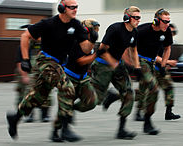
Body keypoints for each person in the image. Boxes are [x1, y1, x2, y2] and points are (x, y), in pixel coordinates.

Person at [6, 0, 98, 142]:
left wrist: (92, 39)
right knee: (66, 87)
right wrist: (24, 59)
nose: (75, 9)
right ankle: (65, 129)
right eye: (71, 7)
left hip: (59, 64)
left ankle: (15, 117)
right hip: (46, 61)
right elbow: (25, 36)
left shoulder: (76, 25)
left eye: (76, 7)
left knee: (38, 97)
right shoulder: (48, 23)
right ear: (62, 8)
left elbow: (85, 48)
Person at [103, 8, 173, 135]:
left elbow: (168, 48)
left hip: (152, 62)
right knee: (154, 89)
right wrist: (133, 66)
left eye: (169, 21)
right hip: (141, 61)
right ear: (157, 20)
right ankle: (147, 122)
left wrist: (163, 65)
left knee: (142, 93)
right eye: (164, 21)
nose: (167, 24)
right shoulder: (142, 30)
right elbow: (128, 48)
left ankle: (115, 96)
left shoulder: (166, 31)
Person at [90, 6, 141, 140]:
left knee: (129, 94)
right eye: (136, 17)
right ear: (127, 18)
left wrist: (137, 67)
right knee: (96, 100)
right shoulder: (115, 29)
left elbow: (133, 49)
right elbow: (101, 50)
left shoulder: (134, 32)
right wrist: (114, 64)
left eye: (139, 18)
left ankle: (121, 130)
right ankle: (106, 95)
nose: (138, 20)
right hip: (102, 65)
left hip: (118, 64)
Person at [51, 18, 100, 142]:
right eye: (95, 29)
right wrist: (96, 55)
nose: (97, 32)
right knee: (65, 105)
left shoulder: (92, 43)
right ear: (87, 30)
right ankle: (58, 131)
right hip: (70, 77)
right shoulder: (75, 41)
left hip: (83, 79)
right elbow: (81, 60)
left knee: (91, 101)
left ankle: (71, 110)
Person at [14, 25, 51, 122]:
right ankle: (29, 114)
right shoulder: (24, 45)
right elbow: (19, 61)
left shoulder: (44, 44)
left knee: (46, 93)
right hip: (29, 73)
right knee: (28, 93)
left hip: (42, 72)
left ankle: (45, 115)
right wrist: (24, 76)